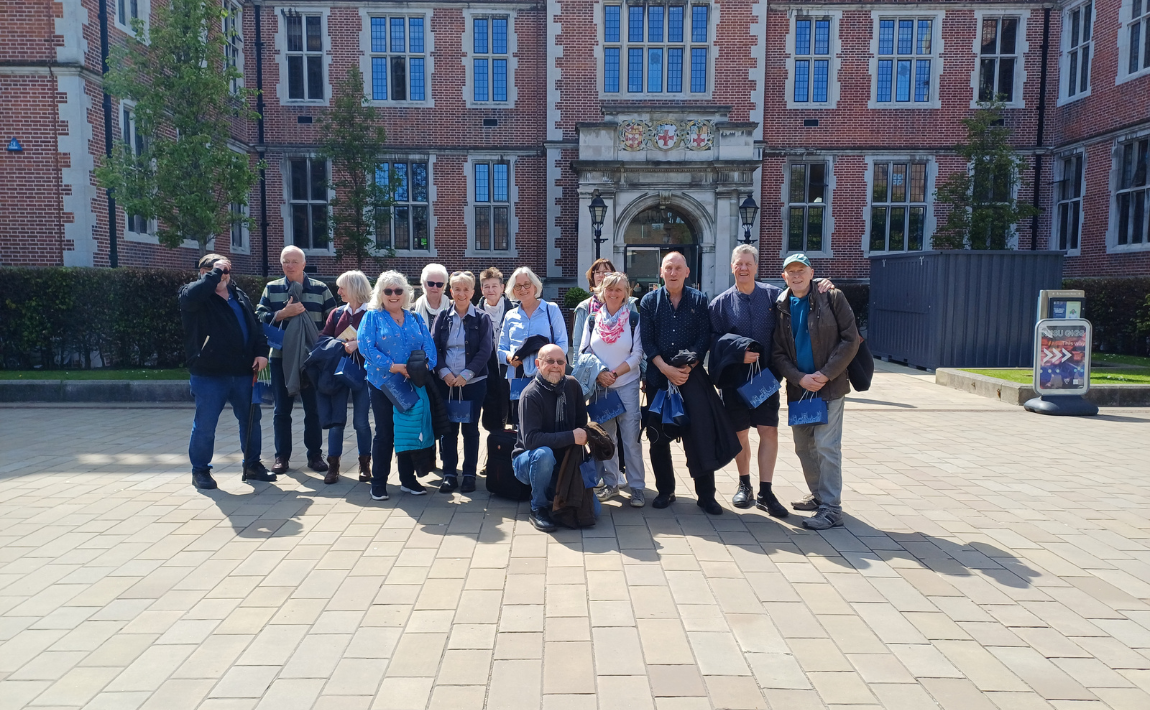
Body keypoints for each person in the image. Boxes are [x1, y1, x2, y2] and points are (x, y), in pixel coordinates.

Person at [708, 245, 834, 517]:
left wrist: (823, 284)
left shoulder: (775, 296)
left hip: (766, 378)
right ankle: (744, 484)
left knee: (769, 431)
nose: (743, 268)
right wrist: (736, 353)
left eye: (748, 264)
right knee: (740, 433)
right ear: (732, 267)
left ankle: (766, 490)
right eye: (738, 264)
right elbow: (714, 342)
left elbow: (803, 296)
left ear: (756, 267)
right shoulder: (719, 304)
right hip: (735, 382)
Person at [640, 252, 739, 514]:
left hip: (691, 378)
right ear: (661, 272)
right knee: (658, 438)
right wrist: (666, 369)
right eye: (668, 268)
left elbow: (703, 338)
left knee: (699, 436)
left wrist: (688, 367)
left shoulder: (698, 299)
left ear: (687, 272)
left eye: (678, 268)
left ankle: (706, 496)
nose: (673, 272)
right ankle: (665, 490)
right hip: (658, 380)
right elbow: (647, 343)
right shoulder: (649, 302)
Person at [772, 253, 861, 530]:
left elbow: (850, 338)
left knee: (826, 445)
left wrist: (825, 374)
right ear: (784, 277)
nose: (796, 276)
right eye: (791, 272)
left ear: (812, 273)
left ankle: (832, 509)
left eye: (802, 270)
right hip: (800, 390)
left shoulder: (831, 297)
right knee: (803, 447)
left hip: (829, 387)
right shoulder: (780, 304)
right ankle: (819, 496)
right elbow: (777, 352)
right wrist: (799, 378)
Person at [179, 254, 274, 489]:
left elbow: (256, 327)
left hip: (243, 372)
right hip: (209, 374)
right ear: (202, 272)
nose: (221, 275)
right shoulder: (193, 294)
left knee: (251, 421)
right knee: (205, 424)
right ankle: (200, 471)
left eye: (225, 271)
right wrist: (214, 274)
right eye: (213, 270)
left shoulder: (239, 296)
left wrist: (262, 353)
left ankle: (252, 464)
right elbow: (193, 296)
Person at [256, 246, 337, 475]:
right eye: (285, 261)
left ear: (304, 264)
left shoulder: (320, 290)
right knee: (282, 410)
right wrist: (282, 314)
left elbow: (333, 322)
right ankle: (281, 457)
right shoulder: (272, 289)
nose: (289, 265)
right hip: (281, 359)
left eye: (294, 261)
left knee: (314, 410)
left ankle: (315, 456)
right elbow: (260, 318)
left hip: (313, 360)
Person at [358, 271, 439, 500]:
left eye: (398, 290)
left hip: (410, 383)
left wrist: (422, 367)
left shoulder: (415, 318)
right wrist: (393, 366)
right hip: (383, 383)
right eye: (388, 291)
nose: (393, 295)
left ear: (406, 293)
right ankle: (379, 482)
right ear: (380, 294)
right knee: (385, 433)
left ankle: (407, 479)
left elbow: (429, 347)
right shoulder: (372, 317)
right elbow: (366, 348)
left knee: (408, 432)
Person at [577, 272, 646, 507]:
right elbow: (583, 351)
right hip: (600, 387)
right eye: (610, 289)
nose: (614, 294)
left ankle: (636, 487)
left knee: (631, 439)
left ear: (626, 292)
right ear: (602, 291)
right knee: (606, 439)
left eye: (619, 289)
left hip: (626, 384)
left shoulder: (634, 319)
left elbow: (637, 354)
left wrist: (614, 373)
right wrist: (599, 373)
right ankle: (611, 482)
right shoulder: (592, 319)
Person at [512, 343, 589, 532]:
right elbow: (532, 441)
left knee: (593, 511)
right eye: (550, 361)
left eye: (560, 362)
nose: (556, 365)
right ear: (538, 364)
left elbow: (581, 424)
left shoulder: (573, 386)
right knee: (544, 454)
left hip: (563, 461)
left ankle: (554, 493)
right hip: (528, 461)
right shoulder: (531, 395)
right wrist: (571, 436)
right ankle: (537, 507)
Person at [432, 271, 494, 494]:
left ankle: (469, 474)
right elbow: (433, 348)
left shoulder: (482, 318)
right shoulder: (442, 317)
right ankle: (449, 474)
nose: (461, 293)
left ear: (473, 292)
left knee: (470, 429)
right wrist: (444, 372)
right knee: (447, 430)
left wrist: (466, 375)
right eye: (457, 289)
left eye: (466, 289)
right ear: (451, 291)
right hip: (446, 383)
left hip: (473, 383)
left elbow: (485, 350)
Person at [317, 270, 374, 485]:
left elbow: (381, 341)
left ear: (354, 289)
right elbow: (323, 340)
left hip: (364, 375)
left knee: (361, 422)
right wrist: (341, 344)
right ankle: (333, 467)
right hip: (339, 375)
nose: (338, 291)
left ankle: (364, 464)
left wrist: (359, 344)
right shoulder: (337, 313)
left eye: (342, 287)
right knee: (336, 422)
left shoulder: (373, 313)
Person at [498, 267, 568, 424]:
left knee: (546, 422)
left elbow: (562, 344)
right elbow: (500, 349)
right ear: (513, 290)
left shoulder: (551, 310)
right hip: (517, 377)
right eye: (518, 286)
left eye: (527, 284)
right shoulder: (510, 316)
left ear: (535, 286)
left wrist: (550, 361)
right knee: (520, 425)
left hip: (546, 376)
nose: (523, 289)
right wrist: (509, 358)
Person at [569, 258, 620, 366]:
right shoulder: (584, 307)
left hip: (622, 366)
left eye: (606, 272)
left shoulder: (627, 304)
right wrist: (576, 366)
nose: (601, 275)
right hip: (591, 367)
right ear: (592, 277)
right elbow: (578, 343)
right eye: (597, 272)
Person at [478, 267, 515, 348]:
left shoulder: (514, 311)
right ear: (482, 289)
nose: (490, 290)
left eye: (494, 286)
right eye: (487, 287)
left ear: (502, 288)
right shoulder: (476, 314)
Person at [412, 263, 450, 329]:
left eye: (439, 284)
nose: (435, 287)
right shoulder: (412, 311)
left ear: (444, 286)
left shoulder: (452, 309)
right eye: (431, 283)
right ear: (424, 284)